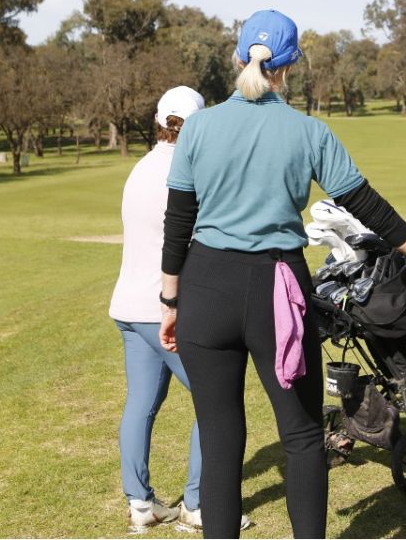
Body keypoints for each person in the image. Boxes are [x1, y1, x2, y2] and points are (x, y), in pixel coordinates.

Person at [158, 9, 406, 539]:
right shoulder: (308, 131)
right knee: (299, 434)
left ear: (237, 57)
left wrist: (170, 301)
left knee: (220, 437)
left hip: (205, 287)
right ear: (290, 66)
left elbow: (178, 222)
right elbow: (368, 206)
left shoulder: (198, 127)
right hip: (278, 289)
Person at [108, 86, 251, 533]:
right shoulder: (191, 171)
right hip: (165, 308)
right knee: (216, 400)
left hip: (128, 306)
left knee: (141, 405)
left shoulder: (140, 167)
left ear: (158, 122)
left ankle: (141, 505)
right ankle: (197, 504)